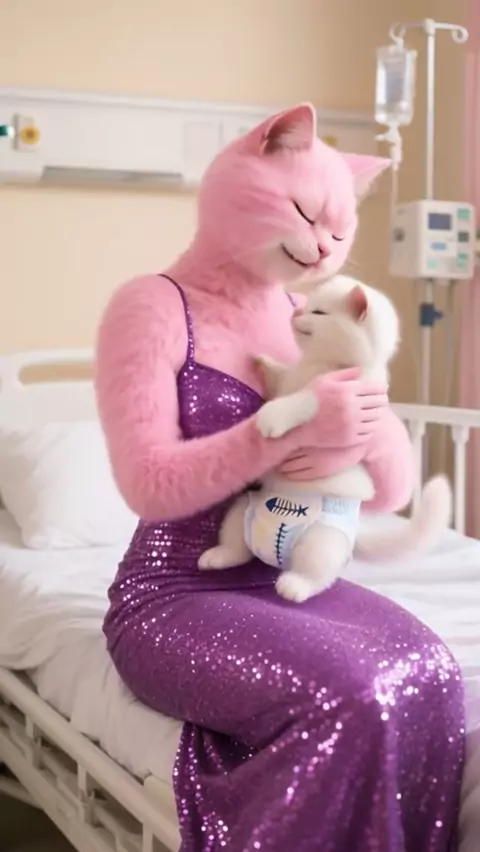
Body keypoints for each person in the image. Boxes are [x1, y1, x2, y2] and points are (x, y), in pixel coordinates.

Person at [96, 104, 464, 851]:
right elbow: (148, 485)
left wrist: (369, 416)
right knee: (353, 696)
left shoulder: (310, 313)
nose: (324, 244)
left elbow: (388, 494)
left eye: (339, 231)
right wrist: (296, 427)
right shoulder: (153, 306)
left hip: (290, 577)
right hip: (174, 593)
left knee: (432, 671)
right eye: (307, 215)